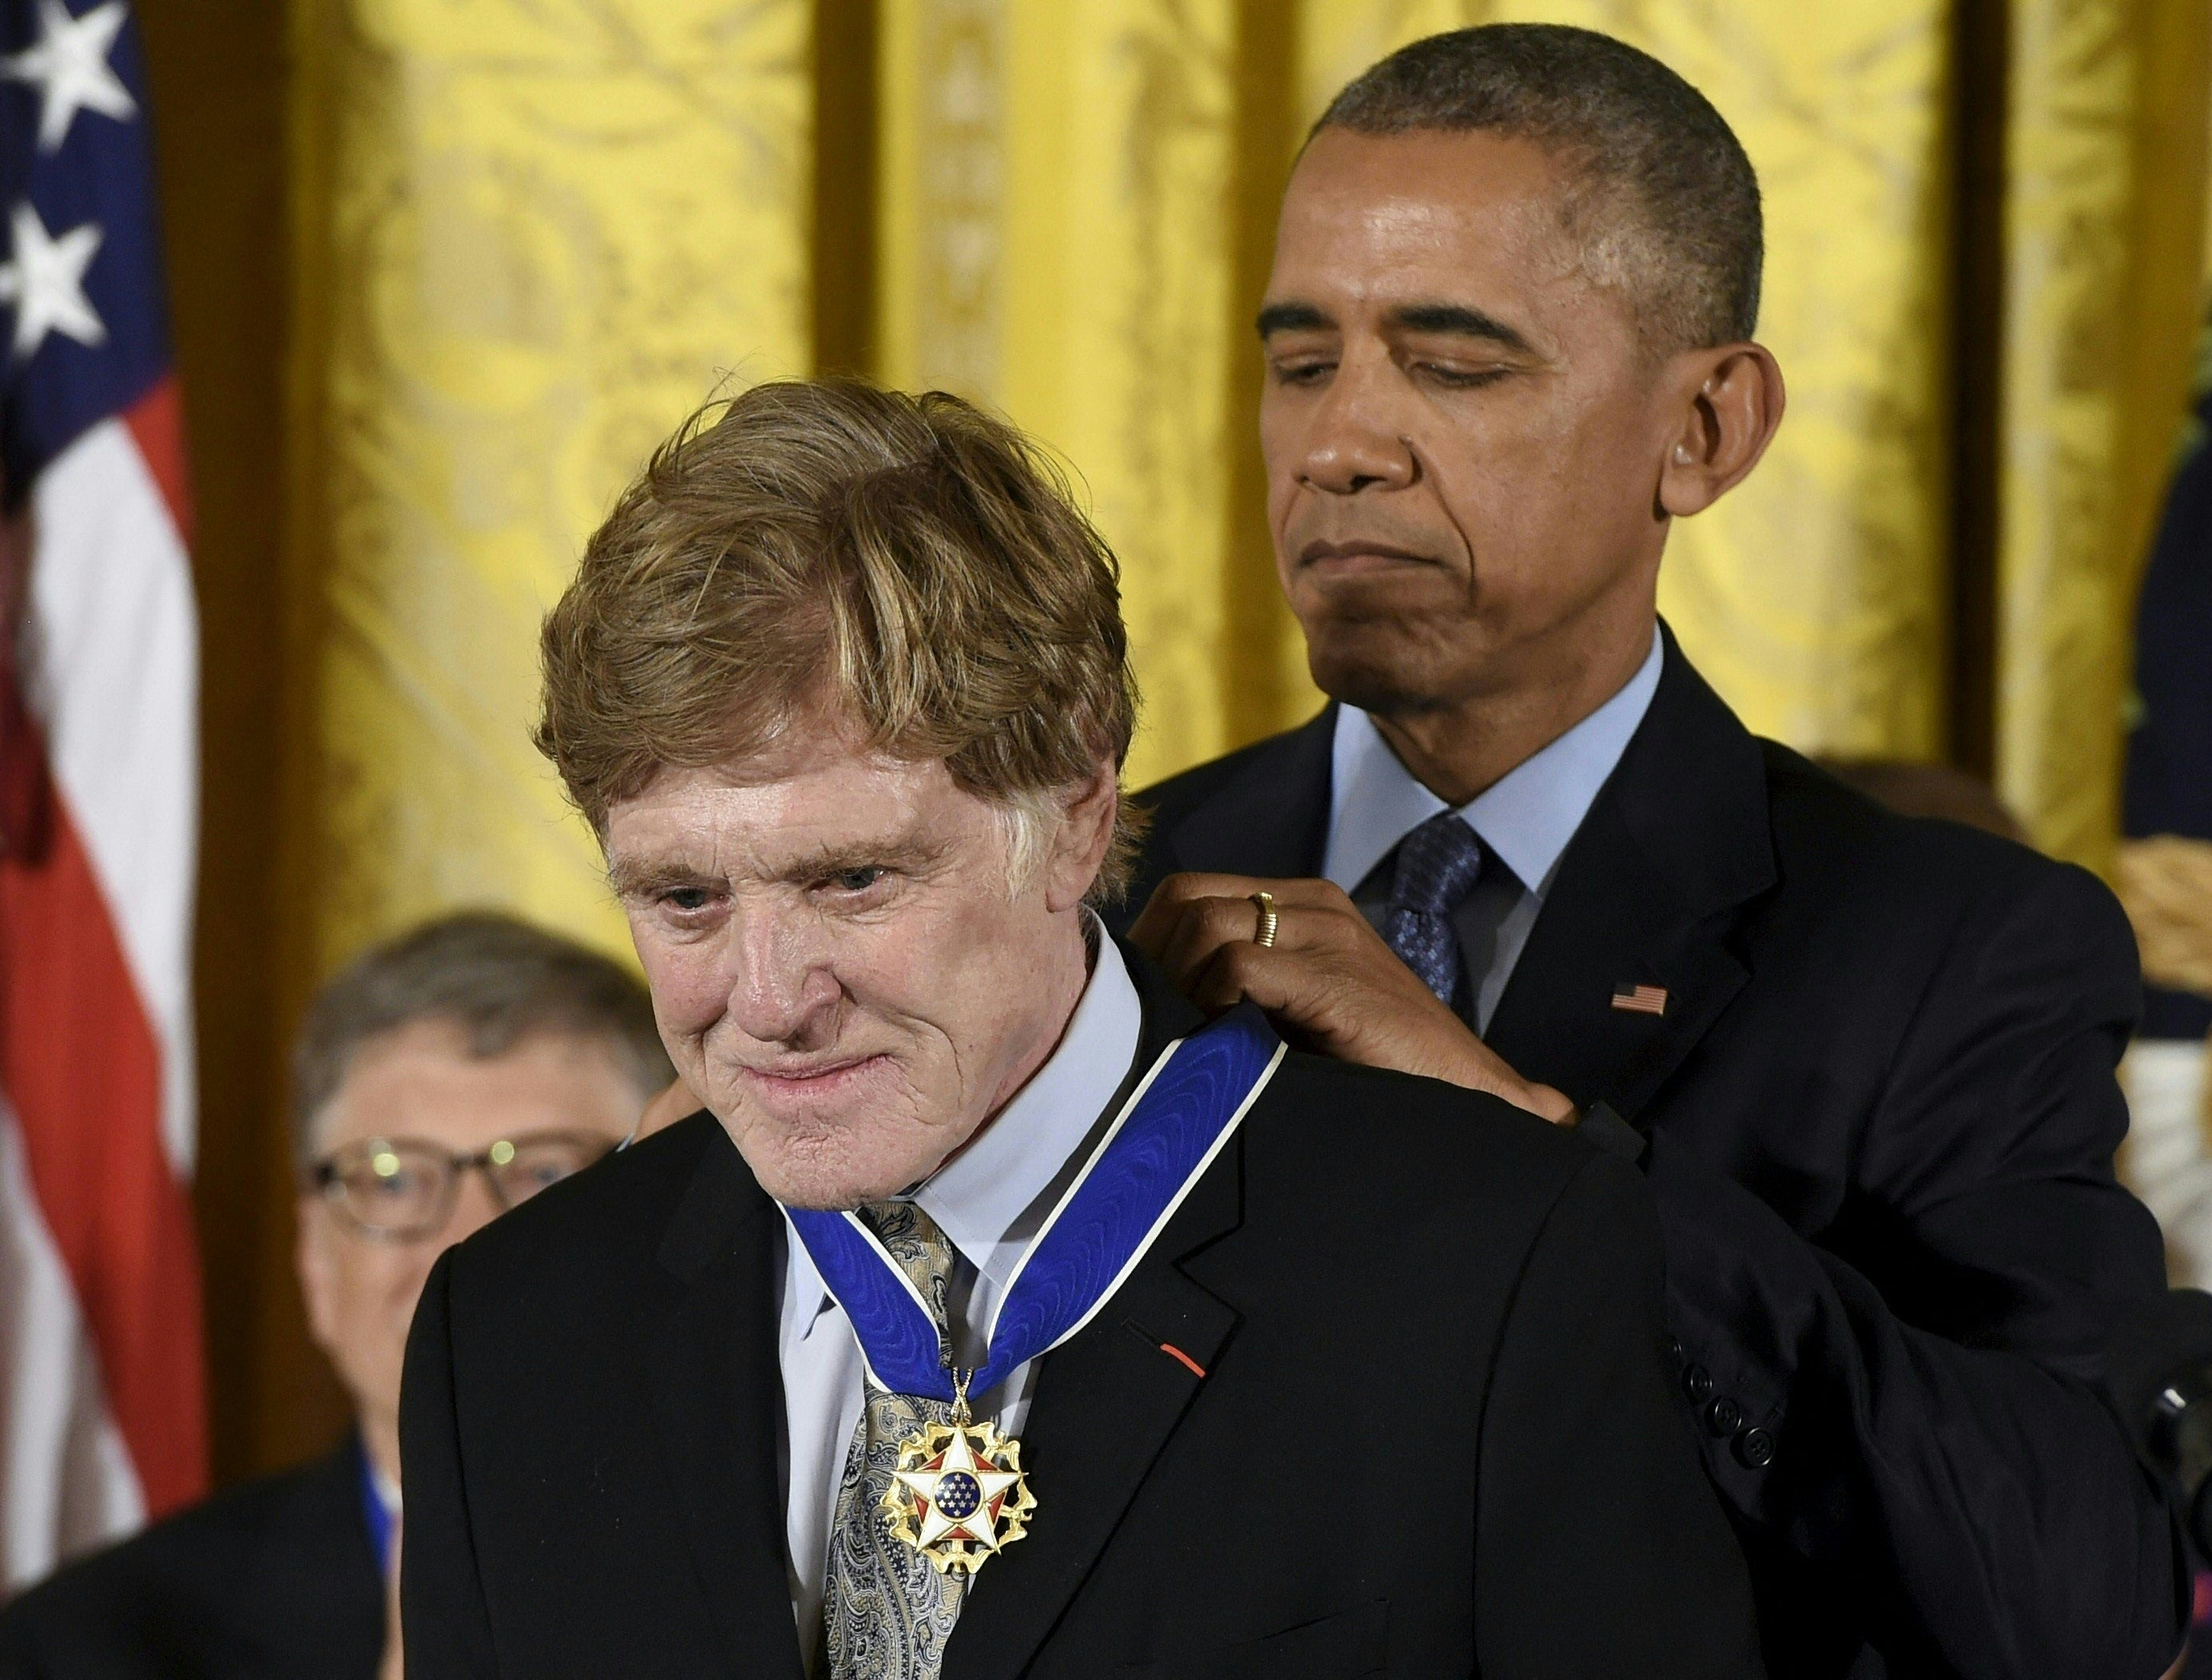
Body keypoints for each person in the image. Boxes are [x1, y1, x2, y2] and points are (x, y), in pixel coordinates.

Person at [1111, 23, 2186, 1680]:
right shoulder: (1089, 887)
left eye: (1452, 363)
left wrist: (1524, 1137)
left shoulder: (1950, 944)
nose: (1338, 442)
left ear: (1702, 428)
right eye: (1299, 357)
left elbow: (2072, 1602)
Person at [398, 378, 1764, 1678]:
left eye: (853, 878)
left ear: (1073, 812)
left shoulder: (1487, 1267)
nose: (766, 1000)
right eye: (684, 897)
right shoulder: (512, 1332)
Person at [0, 911, 669, 1679]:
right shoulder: (84, 1648)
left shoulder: (814, 1567)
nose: (469, 1244)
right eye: (393, 1179)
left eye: (546, 1173)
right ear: (316, 1262)